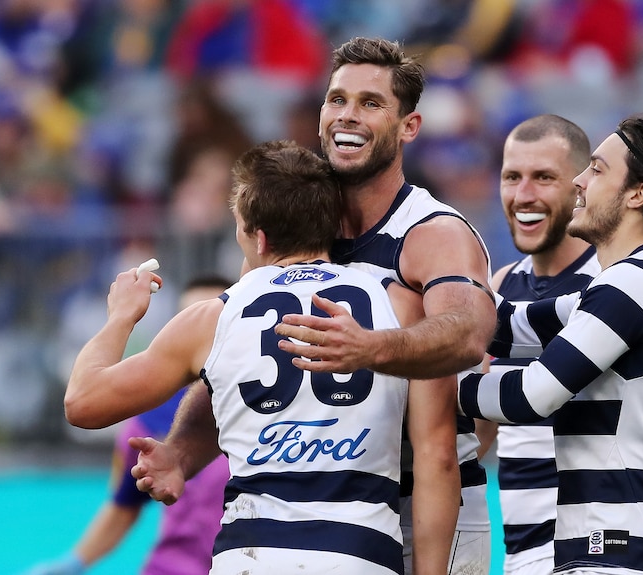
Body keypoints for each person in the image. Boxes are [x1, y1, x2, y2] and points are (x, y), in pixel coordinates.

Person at [136, 37, 498, 575]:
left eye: (371, 103)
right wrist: (182, 451)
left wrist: (372, 348)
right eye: (338, 99)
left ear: (409, 127)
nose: (347, 116)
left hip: (429, 506)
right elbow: (239, 368)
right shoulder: (295, 223)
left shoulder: (432, 233)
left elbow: (468, 334)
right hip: (325, 514)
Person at [64, 140, 457, 574]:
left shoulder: (213, 317)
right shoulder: (402, 306)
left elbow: (83, 403)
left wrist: (121, 316)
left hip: (251, 554)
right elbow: (438, 457)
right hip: (360, 552)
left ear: (260, 237)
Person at [475, 114, 643, 574]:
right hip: (575, 547)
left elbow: (534, 395)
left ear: (637, 193)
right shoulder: (619, 285)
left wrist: (427, 386)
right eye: (512, 176)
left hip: (613, 546)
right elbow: (510, 323)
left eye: (594, 169)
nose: (579, 182)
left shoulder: (632, 284)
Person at [22, 276, 233, 575]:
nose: (203, 333)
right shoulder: (149, 416)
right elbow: (124, 504)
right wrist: (73, 562)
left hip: (246, 563)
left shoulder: (270, 404)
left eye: (213, 321)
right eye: (192, 317)